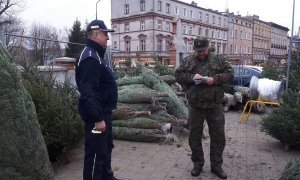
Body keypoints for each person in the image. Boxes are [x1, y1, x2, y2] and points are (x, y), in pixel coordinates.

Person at [175, 37, 233, 179]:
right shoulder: (188, 60)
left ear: (208, 48)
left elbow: (230, 73)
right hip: (196, 106)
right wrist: (191, 78)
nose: (200, 53)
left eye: (203, 50)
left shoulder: (218, 59)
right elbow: (178, 75)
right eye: (198, 51)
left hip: (214, 105)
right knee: (194, 136)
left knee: (218, 136)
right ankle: (198, 164)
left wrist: (215, 79)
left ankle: (216, 166)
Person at [75, 19, 118, 180]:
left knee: (106, 147)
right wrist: (98, 119)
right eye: (105, 34)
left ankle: (107, 176)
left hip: (103, 112)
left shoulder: (98, 55)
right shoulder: (90, 58)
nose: (107, 38)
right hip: (96, 117)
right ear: (96, 34)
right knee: (95, 152)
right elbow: (89, 93)